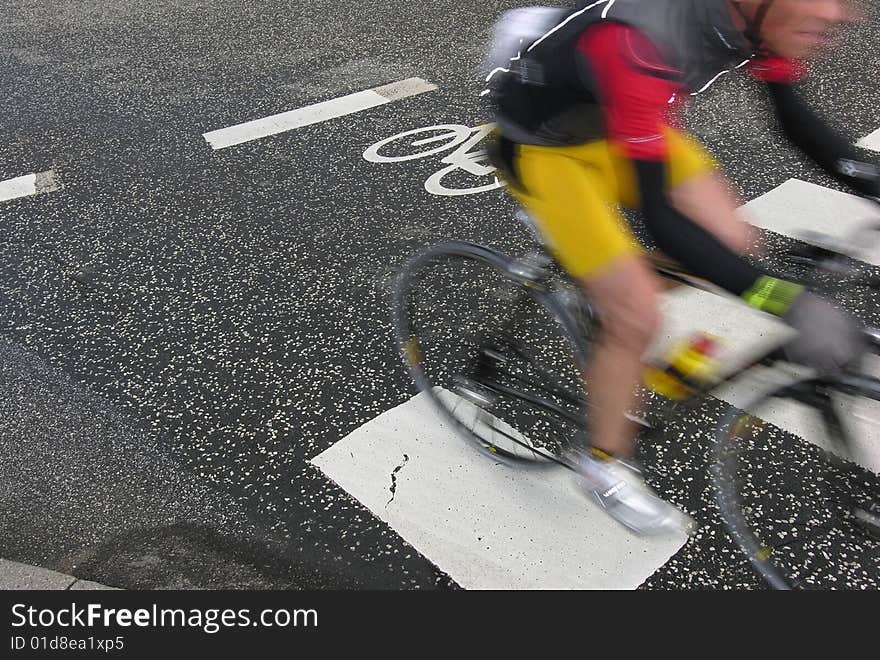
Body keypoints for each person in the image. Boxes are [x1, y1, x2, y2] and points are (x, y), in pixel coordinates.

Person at [483, 0, 879, 535]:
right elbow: (663, 222)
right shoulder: (637, 38)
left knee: (734, 238)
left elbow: (796, 121)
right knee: (637, 314)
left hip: (622, 118)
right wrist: (788, 301)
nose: (840, 15)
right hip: (544, 147)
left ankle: (610, 315)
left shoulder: (761, 20)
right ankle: (599, 463)